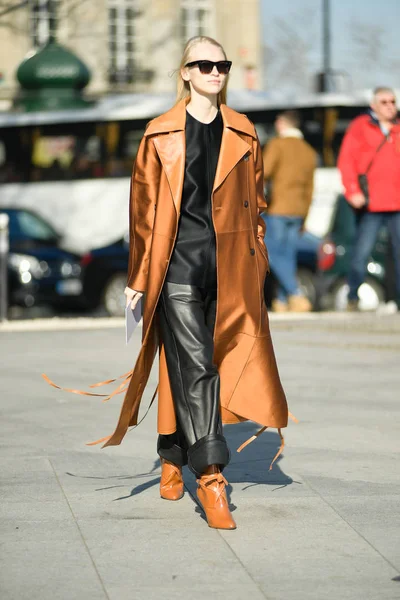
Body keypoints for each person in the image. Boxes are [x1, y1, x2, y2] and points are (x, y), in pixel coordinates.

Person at [44, 36, 289, 531]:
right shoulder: (159, 135)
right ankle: (213, 475)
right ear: (185, 73)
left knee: (201, 361)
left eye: (222, 64)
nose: (215, 72)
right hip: (176, 266)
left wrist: (257, 259)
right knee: (197, 366)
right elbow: (143, 213)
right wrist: (138, 277)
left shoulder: (244, 131)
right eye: (205, 64)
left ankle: (172, 451)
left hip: (231, 267)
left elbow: (257, 203)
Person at [338, 87, 400, 311]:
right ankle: (353, 296)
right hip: (371, 203)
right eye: (384, 102)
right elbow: (346, 160)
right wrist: (352, 190)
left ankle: (395, 301)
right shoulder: (361, 126)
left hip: (397, 202)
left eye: (392, 101)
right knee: (361, 251)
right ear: (373, 105)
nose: (389, 105)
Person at [262, 111, 317, 312]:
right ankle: (282, 301)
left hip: (278, 208)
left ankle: (295, 293)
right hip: (299, 211)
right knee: (288, 255)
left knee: (273, 252)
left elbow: (263, 172)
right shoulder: (309, 151)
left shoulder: (278, 145)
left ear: (282, 124)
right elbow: (311, 188)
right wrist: (305, 216)